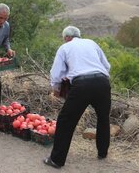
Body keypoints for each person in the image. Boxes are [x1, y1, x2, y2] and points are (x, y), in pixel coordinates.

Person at [44, 26, 111, 169]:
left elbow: (56, 72)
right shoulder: (92, 43)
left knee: (65, 121)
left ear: (67, 38)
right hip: (103, 82)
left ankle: (56, 160)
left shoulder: (65, 47)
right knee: (103, 117)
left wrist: (56, 88)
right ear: (79, 36)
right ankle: (102, 152)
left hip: (82, 85)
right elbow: (106, 66)